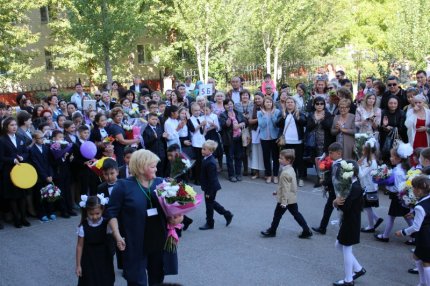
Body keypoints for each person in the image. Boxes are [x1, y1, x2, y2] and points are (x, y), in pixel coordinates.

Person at [108, 149, 182, 286]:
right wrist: (117, 236)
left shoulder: (161, 183)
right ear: (141, 167)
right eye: (153, 166)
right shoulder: (123, 186)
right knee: (136, 281)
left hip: (159, 240)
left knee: (157, 279)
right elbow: (111, 213)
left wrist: (178, 218)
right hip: (135, 242)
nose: (156, 169)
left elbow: (177, 209)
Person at [260, 149, 312, 238]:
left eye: (281, 158)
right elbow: (285, 186)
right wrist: (277, 192)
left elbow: (286, 189)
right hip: (292, 198)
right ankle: (306, 230)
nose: (279, 160)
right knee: (296, 214)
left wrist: (283, 202)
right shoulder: (291, 169)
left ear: (288, 160)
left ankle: (272, 231)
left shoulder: (285, 173)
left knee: (277, 215)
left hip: (285, 200)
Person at [332, 160, 366, 286]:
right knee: (338, 245)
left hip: (351, 221)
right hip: (349, 220)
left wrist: (336, 202)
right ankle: (358, 269)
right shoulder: (352, 185)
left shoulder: (355, 187)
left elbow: (345, 207)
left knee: (346, 248)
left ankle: (348, 280)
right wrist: (336, 201)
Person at [395, 176, 430, 286]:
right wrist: (414, 213)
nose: (412, 190)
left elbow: (416, 227)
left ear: (419, 190)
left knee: (426, 262)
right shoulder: (427, 199)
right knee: (417, 257)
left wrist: (403, 232)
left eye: (413, 188)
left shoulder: (420, 207)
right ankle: (422, 282)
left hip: (425, 236)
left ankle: (425, 283)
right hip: (426, 234)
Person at [375, 143, 413, 242]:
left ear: (399, 159)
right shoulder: (402, 168)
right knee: (406, 216)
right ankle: (415, 236)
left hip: (398, 197)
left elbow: (397, 187)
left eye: (392, 156)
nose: (390, 158)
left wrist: (386, 185)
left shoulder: (398, 172)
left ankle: (385, 236)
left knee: (392, 216)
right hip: (402, 197)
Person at [76, 195, 115, 286]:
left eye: (97, 213)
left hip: (104, 259)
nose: (94, 217)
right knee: (90, 281)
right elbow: (79, 246)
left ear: (102, 210)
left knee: (105, 280)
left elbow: (114, 235)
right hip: (88, 259)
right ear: (86, 212)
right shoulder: (83, 227)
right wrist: (78, 265)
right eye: (91, 214)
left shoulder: (107, 224)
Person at [0, 117, 31, 228]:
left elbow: (26, 152)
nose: (14, 127)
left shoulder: (20, 137)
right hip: (9, 171)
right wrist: (12, 160)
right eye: (11, 125)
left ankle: (23, 218)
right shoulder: (2, 140)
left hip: (20, 170)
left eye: (15, 125)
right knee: (13, 197)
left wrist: (22, 157)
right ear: (6, 127)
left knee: (22, 195)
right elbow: (1, 157)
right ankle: (16, 219)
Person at [199, 140, 234, 230]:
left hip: (211, 187)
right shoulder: (206, 158)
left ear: (210, 151)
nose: (202, 150)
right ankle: (227, 214)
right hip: (208, 186)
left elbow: (212, 179)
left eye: (204, 149)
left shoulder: (211, 162)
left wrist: (209, 192)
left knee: (209, 205)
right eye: (202, 149)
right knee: (211, 203)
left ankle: (210, 223)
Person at [312, 142, 343, 235]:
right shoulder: (334, 163)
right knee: (328, 209)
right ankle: (322, 228)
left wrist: (323, 182)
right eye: (329, 153)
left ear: (339, 153)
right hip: (333, 191)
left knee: (340, 211)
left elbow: (334, 179)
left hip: (337, 192)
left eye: (331, 153)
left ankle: (325, 228)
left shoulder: (339, 165)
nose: (329, 155)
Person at [277, 97, 307, 187]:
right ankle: (289, 178)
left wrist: (298, 117)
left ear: (295, 104)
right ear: (285, 104)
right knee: (288, 161)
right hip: (286, 141)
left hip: (298, 141)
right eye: (288, 102)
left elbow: (304, 122)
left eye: (291, 102)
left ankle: (301, 178)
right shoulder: (283, 113)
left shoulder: (299, 113)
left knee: (299, 160)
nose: (289, 104)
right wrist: (283, 117)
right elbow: (277, 124)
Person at [305, 96, 334, 187]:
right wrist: (317, 120)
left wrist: (322, 119)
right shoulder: (311, 114)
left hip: (325, 141)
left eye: (322, 103)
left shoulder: (328, 114)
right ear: (314, 105)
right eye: (317, 103)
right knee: (316, 159)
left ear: (324, 105)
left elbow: (329, 126)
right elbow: (308, 127)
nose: (319, 105)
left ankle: (323, 178)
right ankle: (319, 177)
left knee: (324, 160)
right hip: (314, 141)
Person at [358, 138, 383, 233]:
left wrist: (359, 166)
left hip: (369, 187)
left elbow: (361, 175)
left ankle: (371, 226)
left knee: (367, 206)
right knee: (367, 206)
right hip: (368, 186)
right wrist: (361, 159)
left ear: (367, 151)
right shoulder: (368, 159)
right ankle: (376, 219)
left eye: (363, 149)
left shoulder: (371, 162)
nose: (362, 151)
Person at [219, 99, 246, 182]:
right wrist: (229, 119)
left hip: (239, 138)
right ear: (224, 106)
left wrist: (241, 124)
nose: (229, 106)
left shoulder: (238, 113)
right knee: (229, 157)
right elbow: (225, 125)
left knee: (238, 157)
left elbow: (245, 121)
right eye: (227, 104)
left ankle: (238, 174)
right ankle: (231, 175)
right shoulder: (223, 115)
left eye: (230, 104)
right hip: (229, 139)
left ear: (233, 105)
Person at [257, 97, 281, 184]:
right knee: (266, 158)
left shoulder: (277, 112)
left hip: (274, 138)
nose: (268, 103)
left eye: (270, 102)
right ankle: (268, 175)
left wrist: (272, 114)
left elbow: (276, 124)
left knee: (275, 157)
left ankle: (275, 176)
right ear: (264, 103)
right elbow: (261, 125)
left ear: (272, 103)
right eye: (267, 102)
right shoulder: (259, 113)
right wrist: (264, 115)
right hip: (264, 138)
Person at [142, 113, 168, 177]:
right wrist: (153, 138)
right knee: (153, 171)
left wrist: (164, 137)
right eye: (152, 119)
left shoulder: (159, 127)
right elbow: (146, 143)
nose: (154, 121)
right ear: (148, 119)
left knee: (161, 170)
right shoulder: (145, 129)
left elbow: (162, 139)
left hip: (161, 153)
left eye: (156, 119)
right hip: (152, 153)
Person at [187, 103, 206, 185]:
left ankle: (200, 177)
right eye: (195, 110)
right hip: (195, 142)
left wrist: (204, 126)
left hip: (202, 141)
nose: (197, 112)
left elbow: (203, 132)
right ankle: (196, 178)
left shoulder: (201, 118)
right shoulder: (190, 120)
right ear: (192, 111)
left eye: (198, 110)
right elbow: (192, 130)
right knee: (197, 162)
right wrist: (200, 125)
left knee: (201, 161)